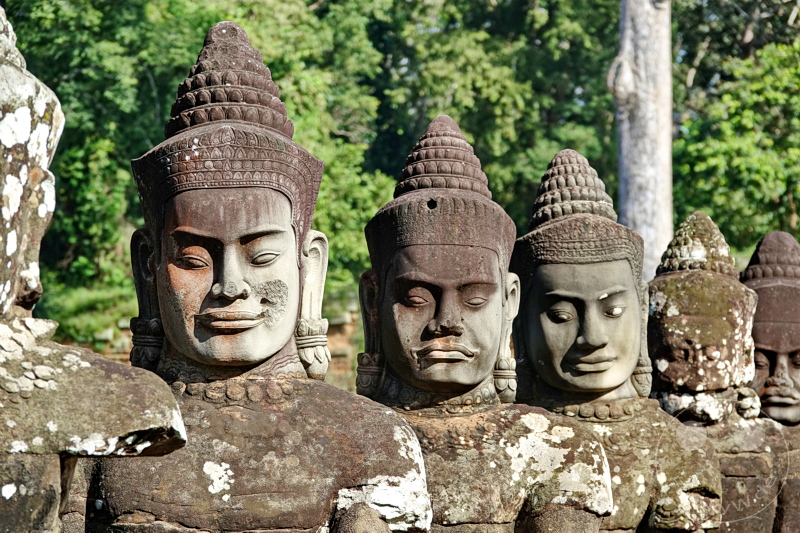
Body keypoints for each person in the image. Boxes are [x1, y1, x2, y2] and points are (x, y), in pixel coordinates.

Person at [80, 21, 431, 532]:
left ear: (309, 266)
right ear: (148, 266)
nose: (230, 285)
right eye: (195, 260)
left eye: (262, 257)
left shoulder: (371, 439)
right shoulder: (104, 436)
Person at [357, 116, 613, 532]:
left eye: (474, 299)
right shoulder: (345, 441)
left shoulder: (557, 450)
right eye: (417, 298)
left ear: (509, 301)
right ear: (374, 300)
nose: (446, 322)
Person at [511, 149, 721, 532]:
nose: (592, 338)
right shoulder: (501, 443)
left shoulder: (677, 449)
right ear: (520, 320)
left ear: (641, 310)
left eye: (612, 311)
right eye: (561, 315)